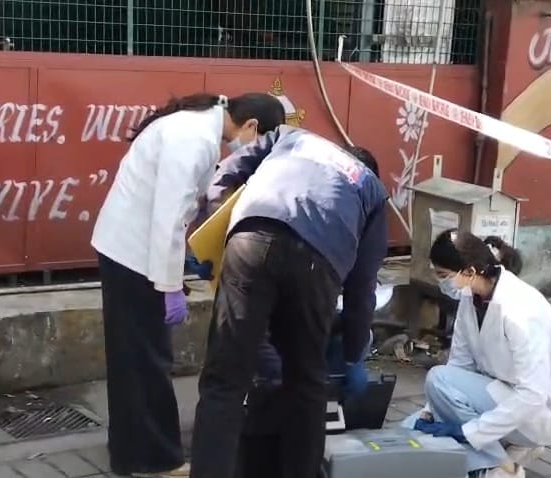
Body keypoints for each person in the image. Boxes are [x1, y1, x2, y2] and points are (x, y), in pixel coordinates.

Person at [90, 92, 285, 477]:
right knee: (148, 359)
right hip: (134, 254)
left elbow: (183, 207)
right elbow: (169, 217)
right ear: (250, 125)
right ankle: (157, 461)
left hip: (130, 249)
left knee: (132, 358)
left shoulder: (199, 127)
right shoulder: (193, 138)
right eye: (259, 140)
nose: (253, 150)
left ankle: (129, 451)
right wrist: (168, 286)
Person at [190, 128, 389, 478]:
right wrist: (353, 355)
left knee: (224, 381)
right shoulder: (371, 188)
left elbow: (226, 172)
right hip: (317, 263)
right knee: (306, 385)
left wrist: (214, 228)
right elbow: (362, 288)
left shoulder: (291, 137)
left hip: (250, 241)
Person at [401, 230, 551, 478]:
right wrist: (432, 409)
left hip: (536, 413)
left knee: (438, 379)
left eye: (444, 275)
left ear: (470, 271)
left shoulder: (520, 310)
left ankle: (503, 466)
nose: (441, 283)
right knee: (408, 430)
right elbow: (459, 365)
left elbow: (533, 395)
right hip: (500, 392)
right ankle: (504, 447)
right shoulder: (471, 298)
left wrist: (469, 433)